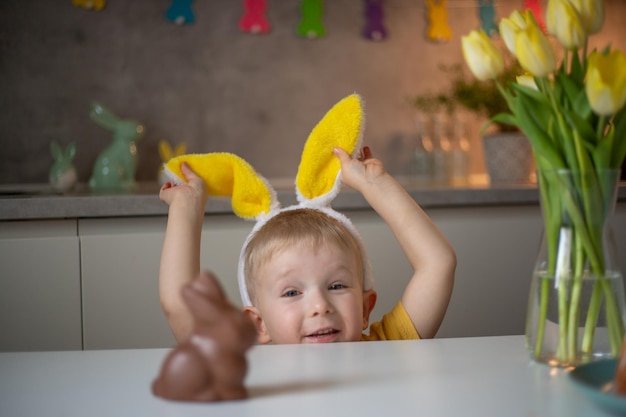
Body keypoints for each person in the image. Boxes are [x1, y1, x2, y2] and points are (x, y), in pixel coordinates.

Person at [159, 146, 456, 344]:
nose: (320, 307)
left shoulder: (388, 347)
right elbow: (180, 308)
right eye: (291, 292)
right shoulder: (247, 367)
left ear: (366, 308)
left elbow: (438, 264)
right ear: (258, 324)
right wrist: (186, 208)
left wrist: (375, 184)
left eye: (337, 286)